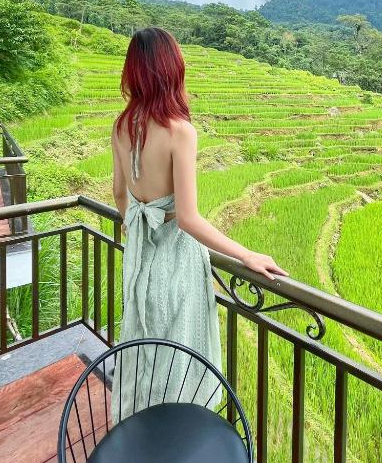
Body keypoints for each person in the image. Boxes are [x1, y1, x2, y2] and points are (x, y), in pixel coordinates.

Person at [110, 27, 288, 421]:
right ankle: (177, 442)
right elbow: (188, 219)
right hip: (175, 261)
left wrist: (136, 228)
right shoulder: (179, 131)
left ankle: (139, 435)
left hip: (140, 258)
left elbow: (120, 195)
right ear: (171, 69)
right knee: (181, 359)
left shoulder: (121, 127)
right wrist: (247, 254)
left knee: (144, 351)